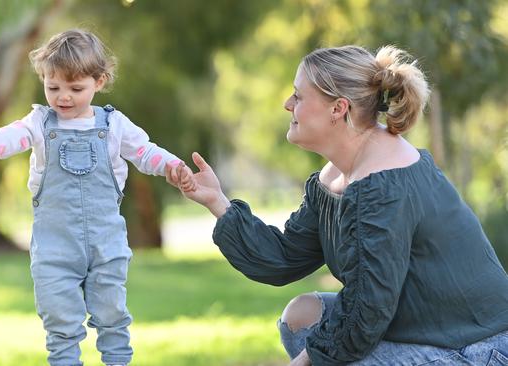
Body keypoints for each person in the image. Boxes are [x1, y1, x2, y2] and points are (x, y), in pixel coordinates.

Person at [166, 45, 508, 365]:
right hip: (421, 332)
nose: (287, 104)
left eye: (298, 96)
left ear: (338, 108)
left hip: (476, 350)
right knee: (301, 317)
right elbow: (283, 258)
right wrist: (218, 202)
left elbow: (367, 311)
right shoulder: (340, 178)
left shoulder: (383, 185)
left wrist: (309, 358)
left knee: (329, 345)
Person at [0, 29, 194, 366]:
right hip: (54, 247)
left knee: (112, 315)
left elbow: (144, 151)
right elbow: (16, 134)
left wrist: (172, 166)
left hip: (105, 244)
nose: (63, 97)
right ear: (44, 81)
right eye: (53, 88)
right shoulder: (40, 122)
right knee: (59, 322)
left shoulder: (113, 125)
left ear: (99, 81)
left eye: (75, 88)